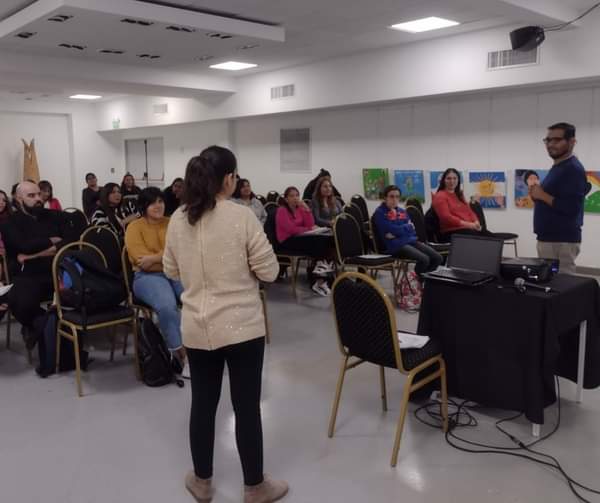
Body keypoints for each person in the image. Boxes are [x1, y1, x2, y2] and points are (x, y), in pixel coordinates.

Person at [162, 146, 288, 503]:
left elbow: (171, 269)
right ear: (229, 179)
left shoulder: (177, 218)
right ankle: (255, 487)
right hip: (242, 327)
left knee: (202, 403)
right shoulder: (242, 216)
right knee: (247, 406)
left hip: (197, 327)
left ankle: (201, 483)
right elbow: (270, 271)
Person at [125, 187, 187, 377]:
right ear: (144, 206)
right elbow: (140, 260)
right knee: (167, 306)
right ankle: (180, 355)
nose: (158, 206)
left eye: (160, 201)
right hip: (146, 278)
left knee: (195, 300)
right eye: (153, 202)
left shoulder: (173, 222)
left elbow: (184, 252)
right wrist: (166, 257)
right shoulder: (134, 227)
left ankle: (201, 349)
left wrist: (155, 258)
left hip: (175, 272)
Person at [1, 181, 66, 351]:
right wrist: (51, 241)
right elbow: (23, 245)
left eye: (39, 194)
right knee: (20, 302)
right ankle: (42, 324)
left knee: (83, 292)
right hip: (27, 275)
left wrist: (35, 254)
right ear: (18, 198)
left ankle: (43, 328)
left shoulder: (53, 216)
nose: (38, 198)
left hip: (57, 272)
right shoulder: (9, 223)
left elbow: (69, 241)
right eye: (32, 196)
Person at [531, 122, 588, 275]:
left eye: (556, 140)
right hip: (551, 239)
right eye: (548, 140)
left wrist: (541, 195)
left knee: (562, 287)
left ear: (572, 142)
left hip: (560, 241)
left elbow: (571, 208)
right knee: (552, 286)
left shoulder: (572, 169)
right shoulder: (559, 167)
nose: (550, 144)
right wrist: (537, 195)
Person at [276, 186, 335, 296]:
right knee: (318, 243)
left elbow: (310, 224)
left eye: (297, 195)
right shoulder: (282, 210)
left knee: (326, 239)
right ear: (286, 199)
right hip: (287, 240)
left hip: (300, 237)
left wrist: (307, 209)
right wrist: (308, 229)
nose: (295, 198)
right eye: (292, 196)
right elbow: (291, 229)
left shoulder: (300, 209)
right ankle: (320, 274)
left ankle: (320, 275)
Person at [373, 185, 442, 276]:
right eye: (391, 196)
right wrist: (406, 228)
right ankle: (418, 282)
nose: (394, 199)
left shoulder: (401, 211)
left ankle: (425, 281)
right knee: (424, 259)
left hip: (409, 241)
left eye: (397, 197)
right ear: (385, 198)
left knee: (438, 258)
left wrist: (399, 232)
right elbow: (393, 229)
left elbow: (412, 231)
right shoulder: (380, 213)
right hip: (394, 246)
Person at [431, 168, 482, 239]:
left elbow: (469, 211)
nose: (452, 181)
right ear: (443, 181)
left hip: (467, 229)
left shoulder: (459, 194)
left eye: (455, 178)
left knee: (490, 237)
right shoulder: (440, 196)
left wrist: (476, 222)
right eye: (448, 178)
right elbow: (446, 218)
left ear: (458, 180)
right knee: (482, 239)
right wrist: (469, 225)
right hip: (451, 232)